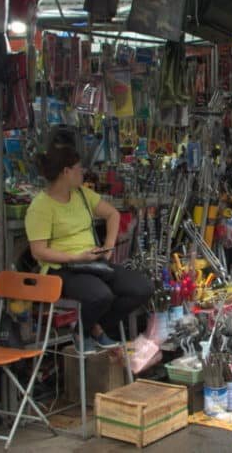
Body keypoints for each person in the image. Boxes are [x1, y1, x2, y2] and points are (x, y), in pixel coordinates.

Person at [25, 142, 154, 354]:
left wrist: (108, 246)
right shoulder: (41, 206)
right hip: (61, 269)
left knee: (142, 288)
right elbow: (38, 251)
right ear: (66, 172)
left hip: (92, 261)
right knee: (100, 296)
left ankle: (97, 327)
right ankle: (81, 332)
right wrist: (74, 257)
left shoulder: (82, 194)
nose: (83, 172)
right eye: (78, 168)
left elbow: (113, 214)